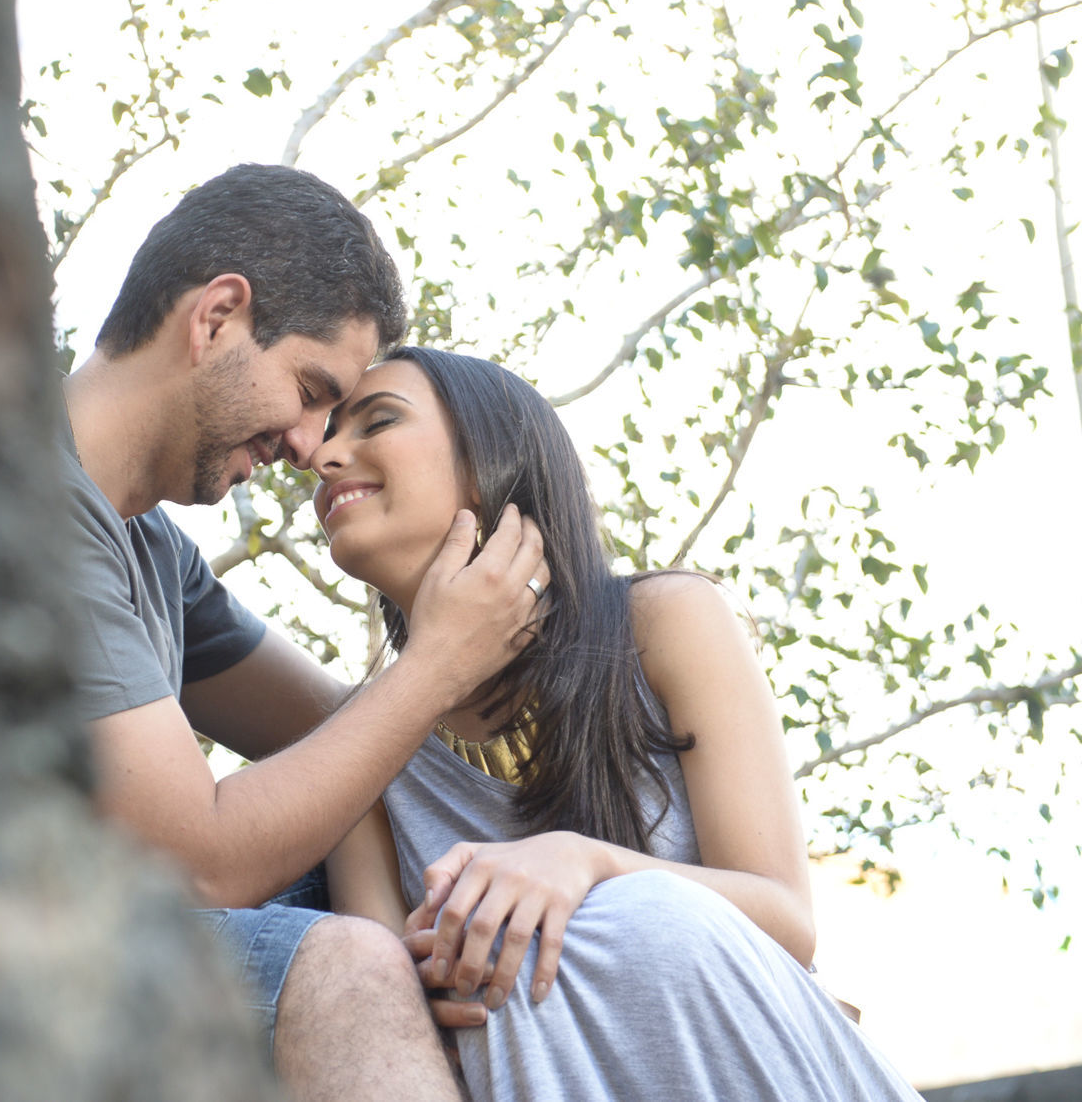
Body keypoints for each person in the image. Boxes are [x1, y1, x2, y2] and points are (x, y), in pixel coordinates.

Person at [312, 346, 923, 1100]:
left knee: (631, 914)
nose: (323, 456)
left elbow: (787, 920)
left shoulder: (664, 620)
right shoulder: (356, 743)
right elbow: (390, 1007)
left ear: (488, 457)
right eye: (328, 435)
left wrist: (581, 863)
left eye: (377, 422)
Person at [61, 164, 550, 1101]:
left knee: (426, 913)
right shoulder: (26, 501)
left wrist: (636, 894)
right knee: (343, 966)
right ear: (216, 318)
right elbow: (198, 862)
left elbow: (347, 735)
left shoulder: (151, 553)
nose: (308, 447)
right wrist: (437, 660)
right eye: (311, 389)